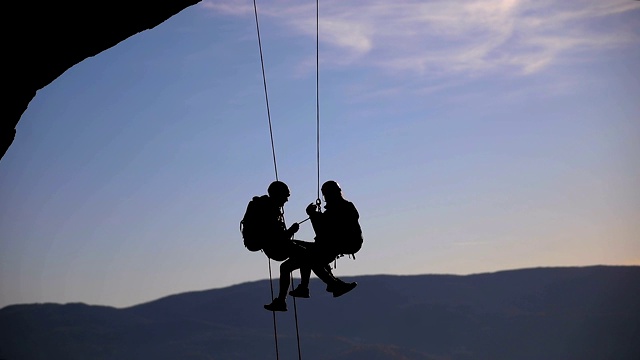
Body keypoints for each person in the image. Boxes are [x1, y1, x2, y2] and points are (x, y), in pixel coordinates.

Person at [261, 181, 357, 312]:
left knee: (304, 258)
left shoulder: (337, 209)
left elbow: (323, 231)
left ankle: (322, 286)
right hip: (336, 244)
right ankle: (316, 286)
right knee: (298, 258)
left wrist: (312, 216)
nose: (287, 200)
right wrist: (313, 216)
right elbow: (324, 230)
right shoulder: (343, 207)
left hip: (334, 245)